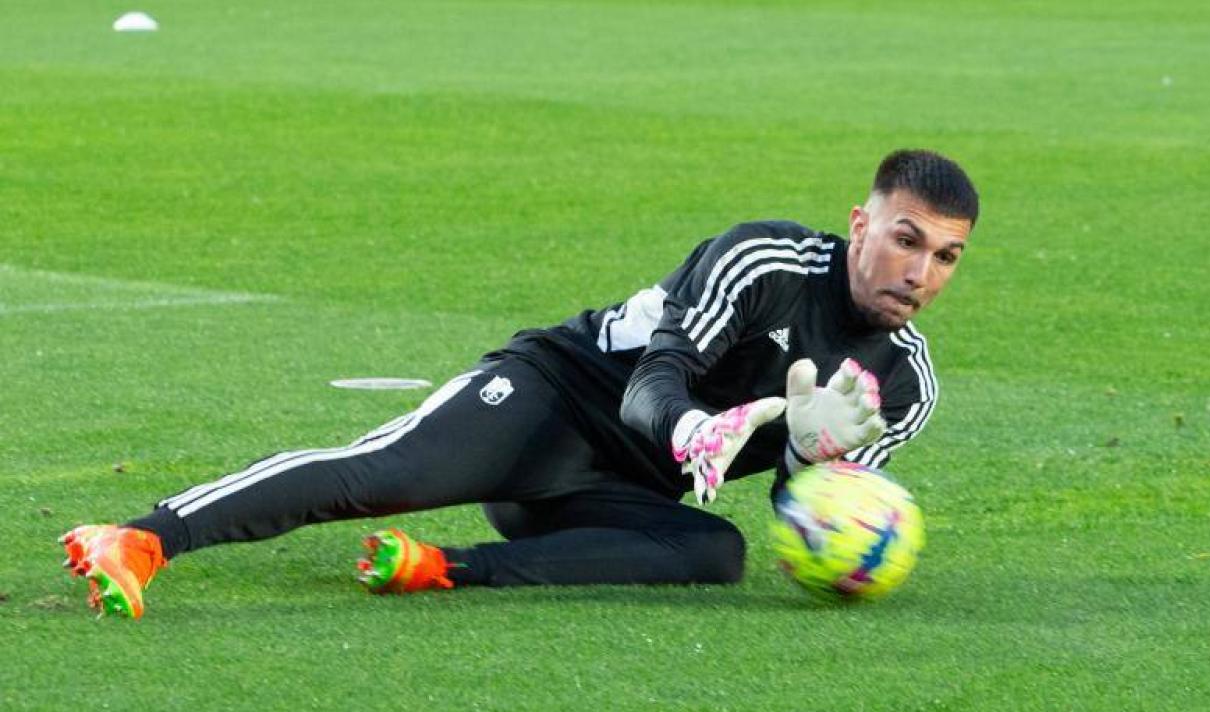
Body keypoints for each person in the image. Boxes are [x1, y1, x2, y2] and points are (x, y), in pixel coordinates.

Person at [61, 149, 979, 619]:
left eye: (945, 256)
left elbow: (800, 521)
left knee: (714, 557)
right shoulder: (767, 258)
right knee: (384, 472)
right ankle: (141, 538)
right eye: (905, 238)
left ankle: (445, 568)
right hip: (553, 399)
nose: (921, 271)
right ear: (860, 222)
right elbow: (655, 380)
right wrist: (695, 428)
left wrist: (814, 468)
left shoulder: (906, 385)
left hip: (602, 496)